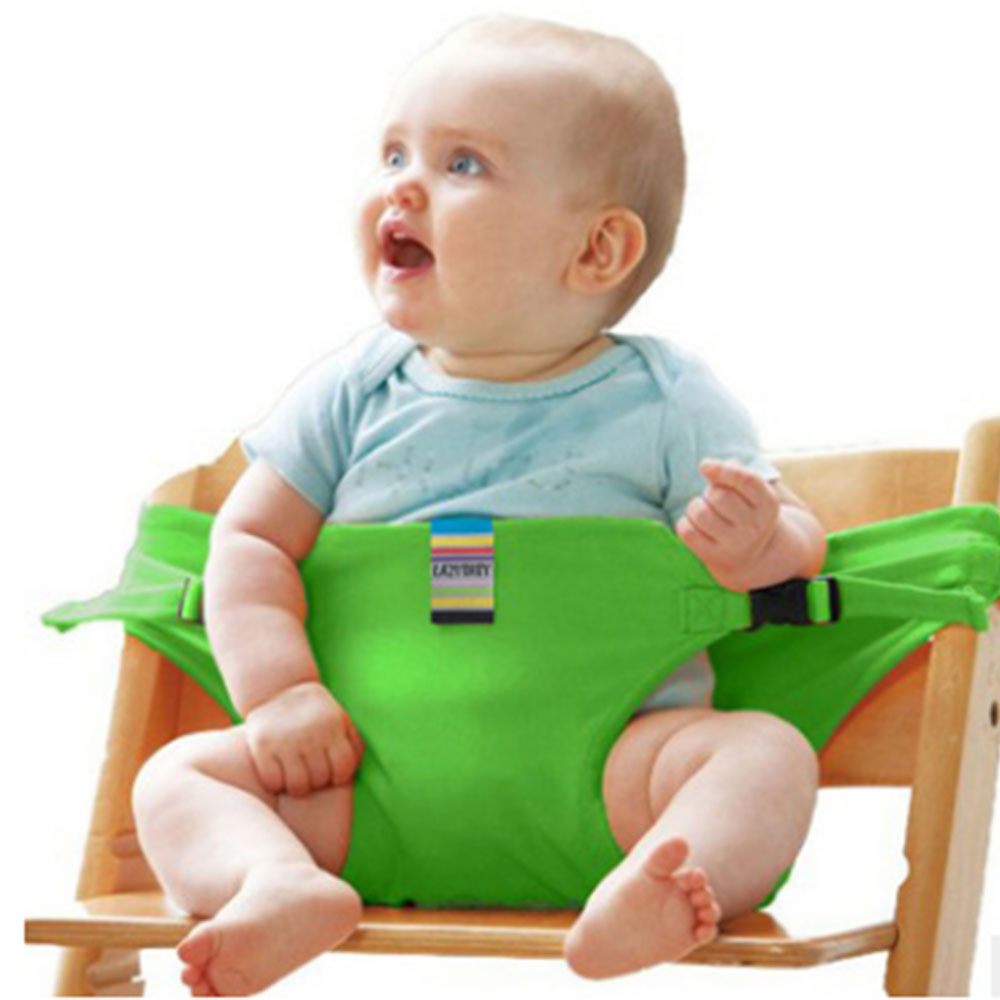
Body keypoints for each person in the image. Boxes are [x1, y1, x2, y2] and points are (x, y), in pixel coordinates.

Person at [131, 14, 826, 994]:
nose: (401, 186)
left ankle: (662, 886)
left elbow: (797, 541)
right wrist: (281, 694)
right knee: (177, 778)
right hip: (355, 787)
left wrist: (757, 545)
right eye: (393, 153)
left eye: (463, 163)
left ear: (597, 249)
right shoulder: (352, 392)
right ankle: (277, 880)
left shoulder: (666, 401)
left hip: (608, 785)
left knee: (766, 754)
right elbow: (247, 538)